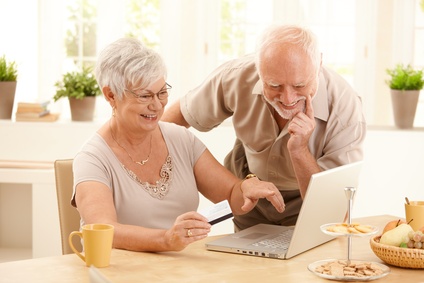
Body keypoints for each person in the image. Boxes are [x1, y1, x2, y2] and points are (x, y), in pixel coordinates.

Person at [71, 37, 285, 253]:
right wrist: (165, 239)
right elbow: (103, 229)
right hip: (118, 272)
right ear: (111, 95)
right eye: (145, 95)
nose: (156, 105)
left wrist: (247, 188)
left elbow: (231, 196)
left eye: (162, 92)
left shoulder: (181, 139)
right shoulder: (92, 159)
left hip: (177, 270)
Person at [162, 24, 366, 231]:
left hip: (306, 200)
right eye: (274, 86)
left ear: (319, 64)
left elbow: (334, 212)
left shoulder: (345, 109)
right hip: (248, 190)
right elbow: (179, 116)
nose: (288, 99)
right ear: (258, 70)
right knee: (244, 262)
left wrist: (299, 150)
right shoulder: (237, 76)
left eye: (299, 86)